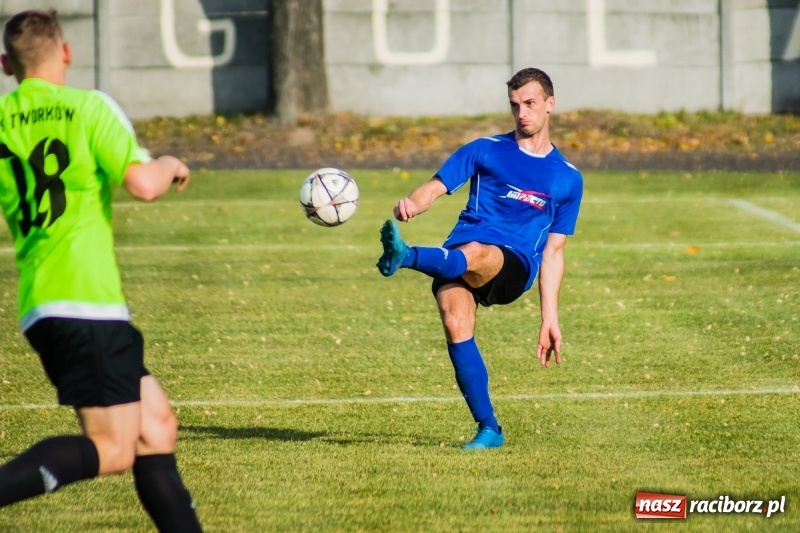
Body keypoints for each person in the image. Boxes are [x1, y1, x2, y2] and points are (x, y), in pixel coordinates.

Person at [0, 10, 202, 531]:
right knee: (112, 448)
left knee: (155, 427)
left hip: (41, 302)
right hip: (85, 300)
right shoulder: (88, 107)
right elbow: (143, 183)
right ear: (65, 52)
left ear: (6, 65)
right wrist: (169, 162)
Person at [377, 67, 583, 450]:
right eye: (515, 105)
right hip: (456, 255)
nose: (522, 113)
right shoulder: (485, 149)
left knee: (478, 253)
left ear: (550, 105)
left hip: (513, 265)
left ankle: (406, 256)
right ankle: (490, 429)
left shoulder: (568, 178)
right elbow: (437, 187)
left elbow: (554, 252)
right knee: (455, 321)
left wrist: (549, 318)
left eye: (530, 104)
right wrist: (412, 204)